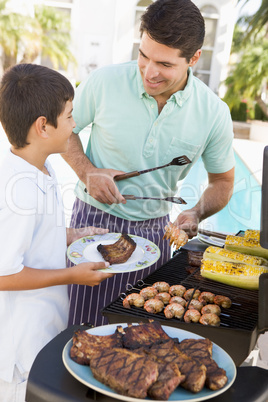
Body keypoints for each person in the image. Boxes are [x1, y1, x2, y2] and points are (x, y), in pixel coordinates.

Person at [63, 0, 235, 327]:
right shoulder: (103, 82)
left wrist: (196, 213)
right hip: (91, 222)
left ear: (194, 58)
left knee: (139, 333)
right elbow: (63, 133)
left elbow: (223, 182)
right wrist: (87, 171)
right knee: (79, 328)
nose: (149, 71)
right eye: (143, 55)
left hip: (156, 234)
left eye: (164, 64)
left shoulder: (214, 113)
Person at [0, 63, 115, 402]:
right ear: (43, 126)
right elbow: (4, 273)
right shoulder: (18, 190)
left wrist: (75, 234)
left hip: (41, 331)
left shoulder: (41, 167)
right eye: (69, 116)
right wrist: (73, 275)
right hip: (19, 348)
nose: (75, 125)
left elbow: (33, 234)